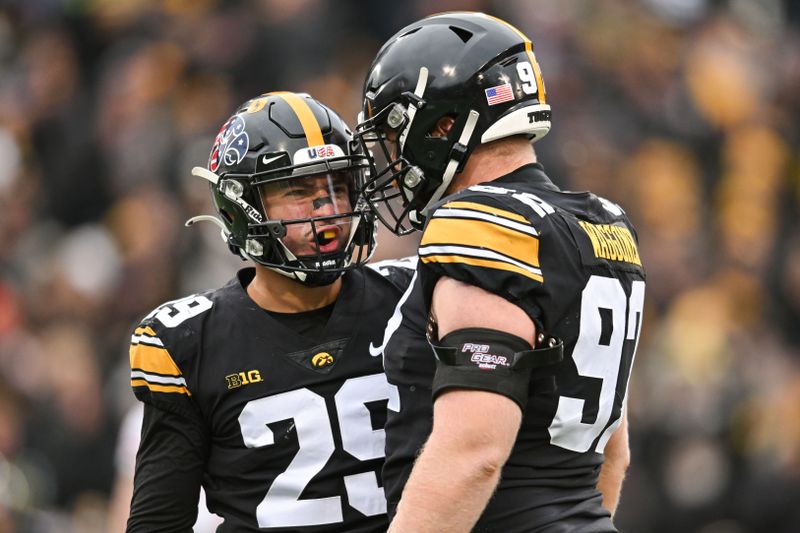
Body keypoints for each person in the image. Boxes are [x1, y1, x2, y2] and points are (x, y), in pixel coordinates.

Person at [355, 12, 646, 533]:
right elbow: (612, 453)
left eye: (398, 132)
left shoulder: (482, 223)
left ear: (444, 124)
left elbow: (474, 454)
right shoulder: (600, 222)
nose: (394, 156)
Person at [126, 92, 414, 532]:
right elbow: (160, 522)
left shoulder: (411, 295)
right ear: (241, 207)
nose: (329, 210)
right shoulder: (190, 341)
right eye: (299, 191)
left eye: (337, 186)